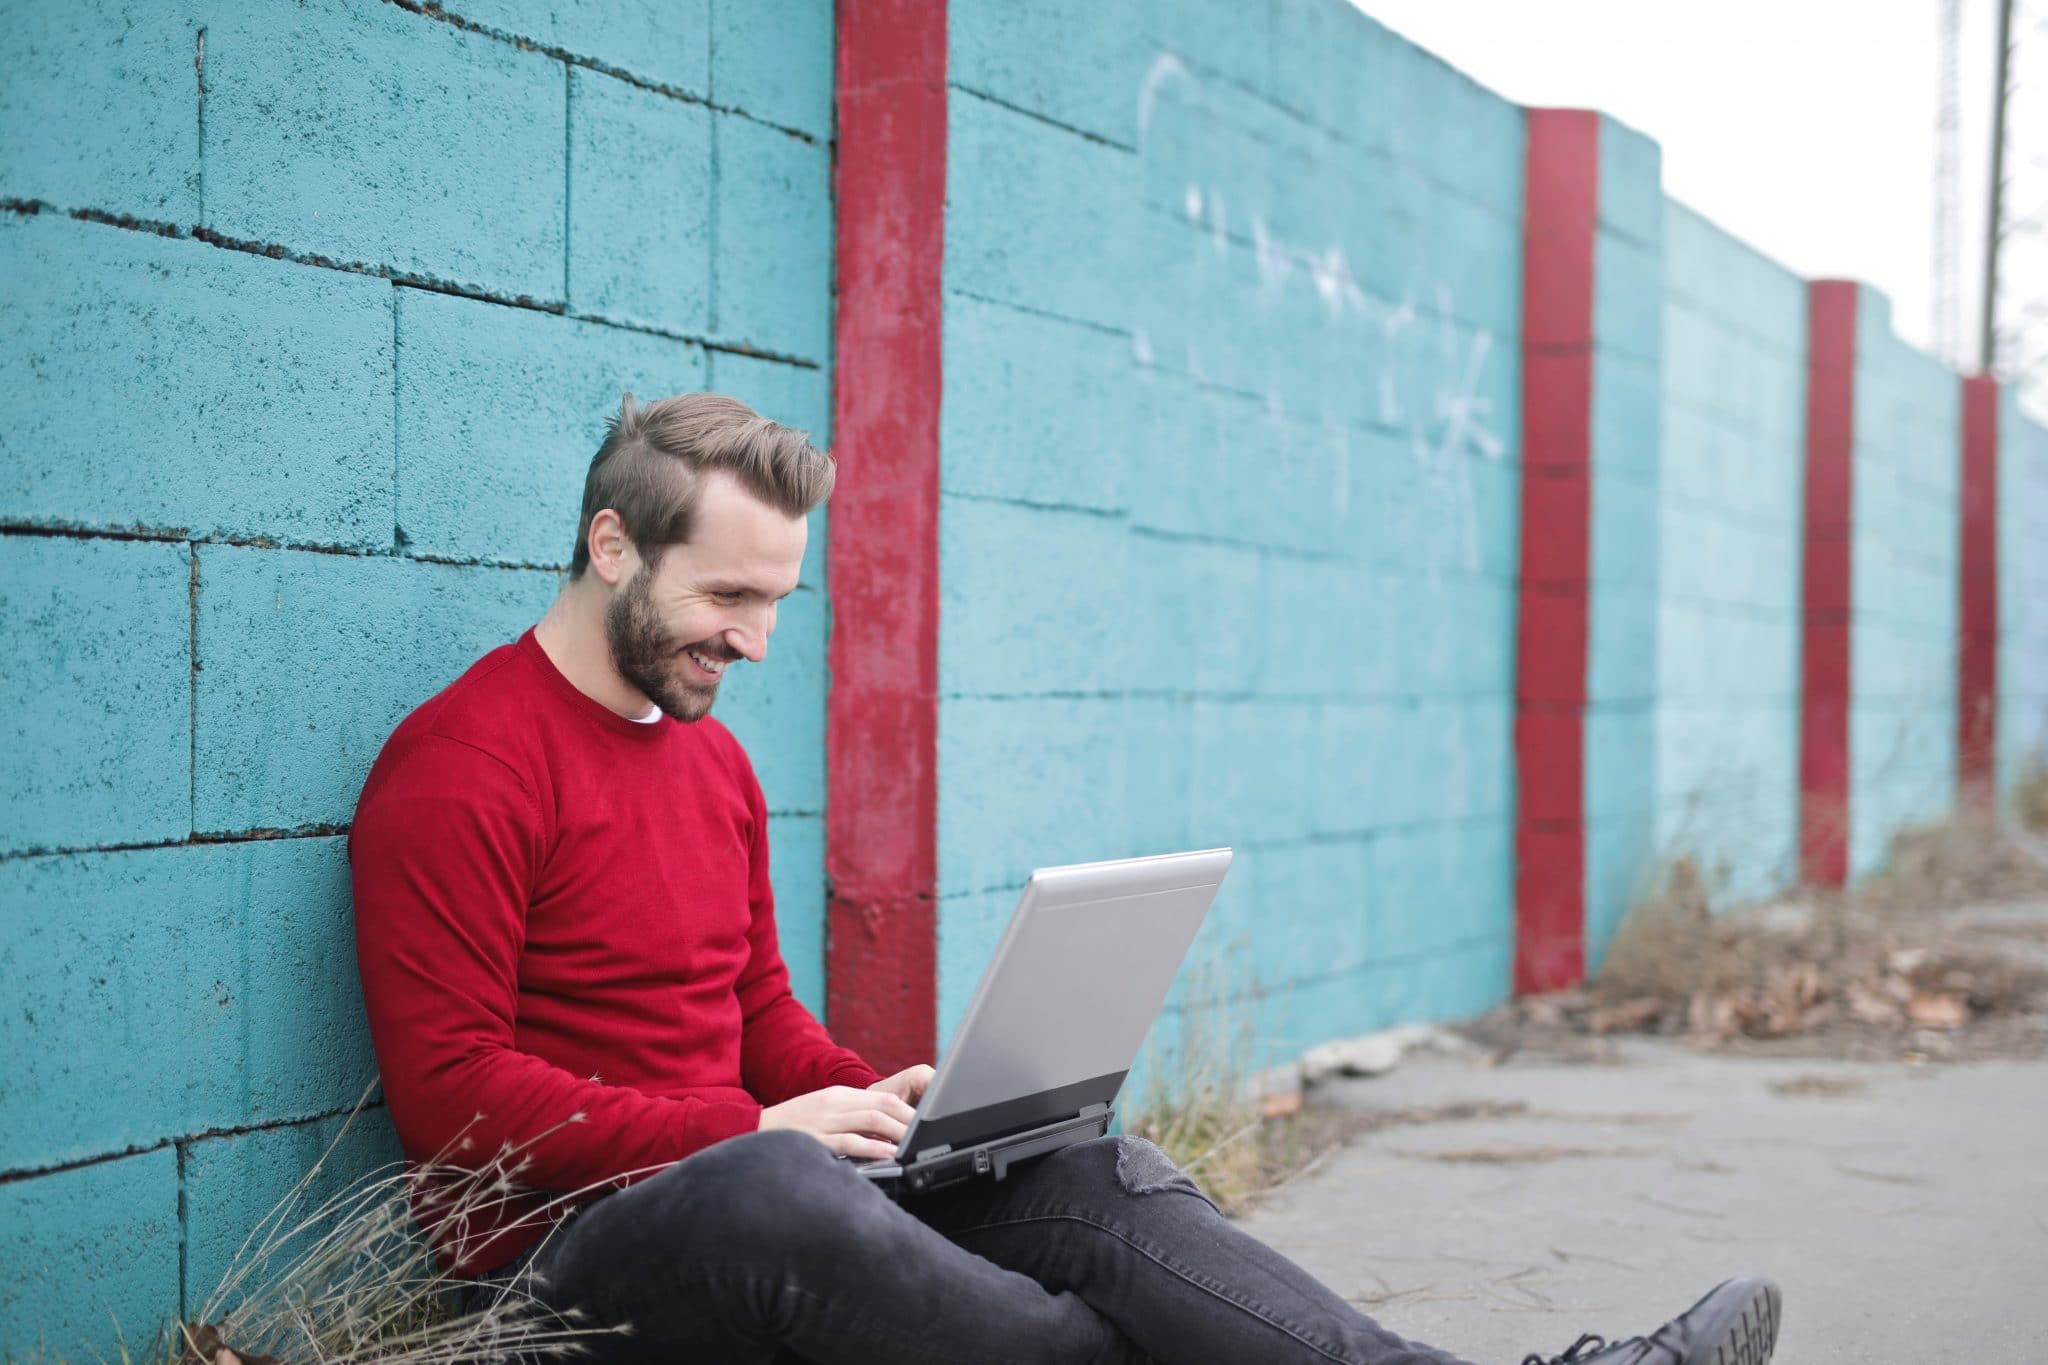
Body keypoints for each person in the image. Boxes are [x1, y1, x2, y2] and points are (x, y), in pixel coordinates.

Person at [349, 392, 1784, 1365]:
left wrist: (896, 1103)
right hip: (565, 1274)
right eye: (729, 598)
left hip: (758, 1166)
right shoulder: (465, 762)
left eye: (777, 600)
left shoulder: (710, 764)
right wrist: (760, 1124)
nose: (760, 642)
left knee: (1092, 1174)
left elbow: (760, 1014)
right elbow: (456, 1098)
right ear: (612, 547)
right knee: (777, 1193)